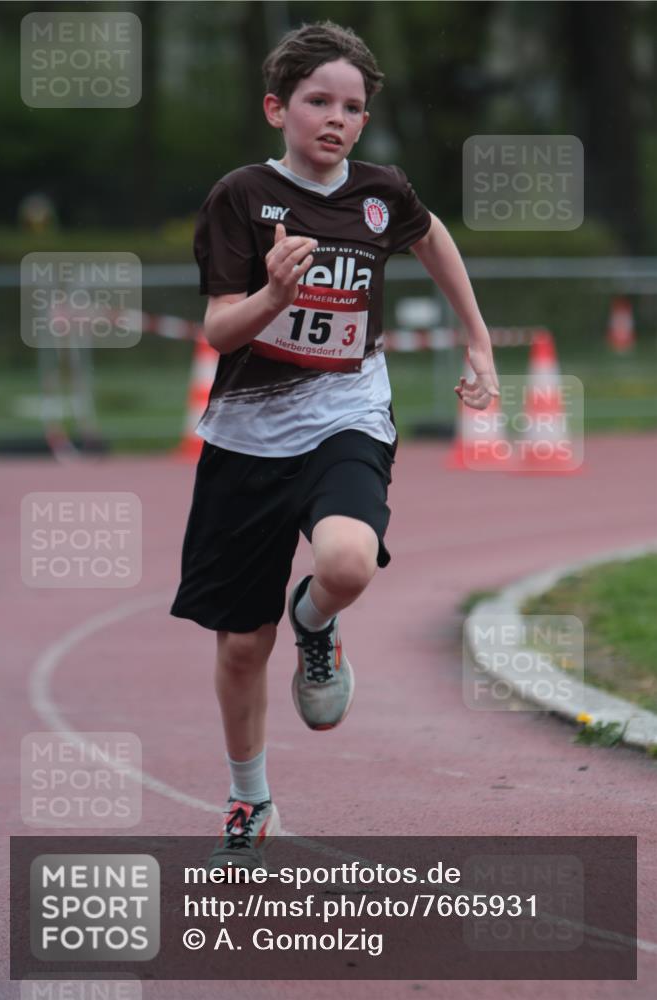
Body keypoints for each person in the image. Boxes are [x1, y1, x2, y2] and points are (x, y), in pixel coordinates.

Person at [171, 20, 499, 867]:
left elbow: (429, 238)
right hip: (246, 438)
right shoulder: (242, 196)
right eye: (318, 101)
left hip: (346, 414)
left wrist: (477, 340)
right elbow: (218, 330)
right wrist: (273, 293)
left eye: (351, 107)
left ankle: (315, 621)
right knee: (242, 644)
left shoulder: (381, 191)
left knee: (348, 561)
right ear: (278, 107)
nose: (335, 119)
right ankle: (250, 799)